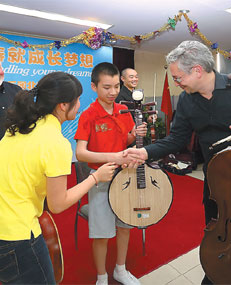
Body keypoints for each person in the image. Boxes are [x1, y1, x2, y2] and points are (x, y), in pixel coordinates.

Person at [123, 40, 231, 284]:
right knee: (216, 230)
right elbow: (177, 140)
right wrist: (146, 153)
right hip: (215, 180)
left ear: (197, 70)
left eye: (178, 77)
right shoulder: (187, 101)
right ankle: (217, 273)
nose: (176, 82)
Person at [0, 72, 118, 284]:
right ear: (63, 106)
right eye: (77, 101)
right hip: (13, 242)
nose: (79, 105)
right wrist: (96, 178)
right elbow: (57, 204)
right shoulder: (56, 143)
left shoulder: (17, 128)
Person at [74, 62, 147, 285]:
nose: (113, 92)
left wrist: (135, 134)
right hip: (101, 179)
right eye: (107, 87)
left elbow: (125, 141)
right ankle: (101, 277)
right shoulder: (88, 115)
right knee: (102, 233)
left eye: (116, 86)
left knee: (125, 226)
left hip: (126, 177)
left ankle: (120, 269)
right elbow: (81, 153)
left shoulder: (124, 111)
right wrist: (114, 157)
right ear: (94, 87)